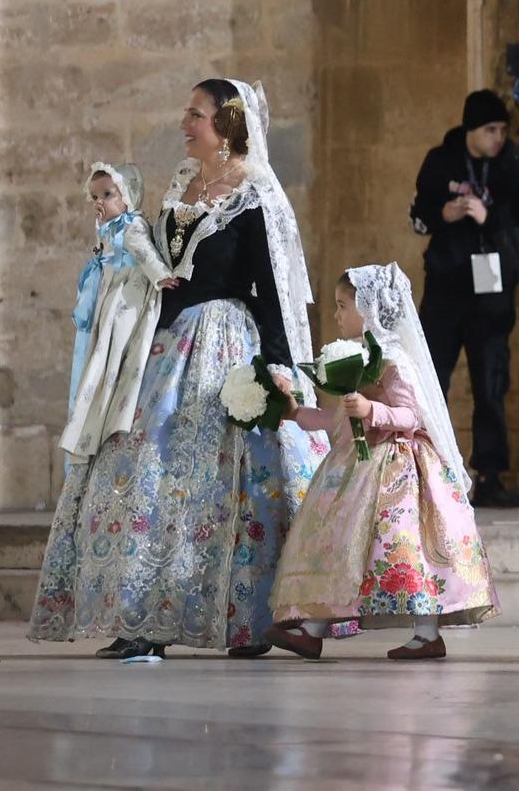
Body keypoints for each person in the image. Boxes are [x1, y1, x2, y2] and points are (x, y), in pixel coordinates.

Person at [29, 78, 328, 661]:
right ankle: (144, 619)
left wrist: (279, 368)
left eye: (195, 114)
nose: (184, 123)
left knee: (221, 486)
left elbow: (273, 290)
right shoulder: (180, 182)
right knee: (137, 468)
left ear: (229, 123)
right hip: (163, 343)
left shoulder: (256, 192)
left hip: (223, 343)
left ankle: (245, 622)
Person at [266, 263, 497, 662]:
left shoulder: (393, 359)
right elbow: (335, 419)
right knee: (340, 542)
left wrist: (373, 409)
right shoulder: (351, 358)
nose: (336, 315)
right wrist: (294, 413)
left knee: (406, 544)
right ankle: (312, 629)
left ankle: (427, 633)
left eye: (342, 306)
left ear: (369, 309)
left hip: (398, 467)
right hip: (355, 467)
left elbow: (411, 416)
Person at [412, 89, 519, 509]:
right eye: (491, 130)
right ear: (472, 130)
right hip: (447, 290)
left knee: (491, 383)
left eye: (503, 130)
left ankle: (489, 475)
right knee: (429, 378)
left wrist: (490, 218)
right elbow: (419, 214)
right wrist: (445, 215)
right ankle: (418, 468)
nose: (498, 138)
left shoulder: (515, 170)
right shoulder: (441, 162)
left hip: (491, 297)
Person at [60, 164, 171, 470]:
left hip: (127, 294)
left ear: (129, 196)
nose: (99, 202)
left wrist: (161, 277)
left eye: (108, 195)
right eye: (95, 196)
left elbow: (144, 252)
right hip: (110, 293)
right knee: (103, 337)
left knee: (119, 334)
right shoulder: (110, 226)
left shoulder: (132, 225)